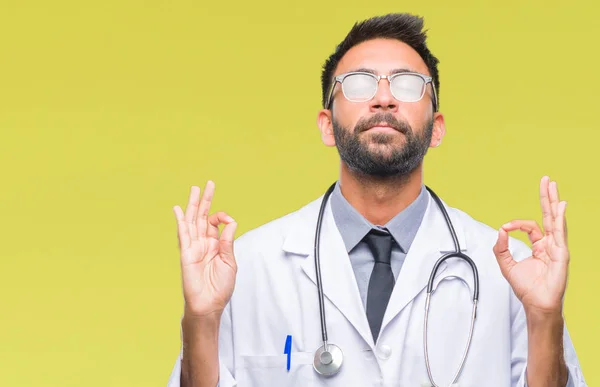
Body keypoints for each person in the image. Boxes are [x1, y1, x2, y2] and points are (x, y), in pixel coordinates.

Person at [166, 13, 586, 387]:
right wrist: (200, 320)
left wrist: (545, 318)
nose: (384, 98)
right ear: (327, 126)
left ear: (436, 128)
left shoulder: (508, 270)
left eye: (406, 85)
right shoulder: (247, 267)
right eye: (359, 84)